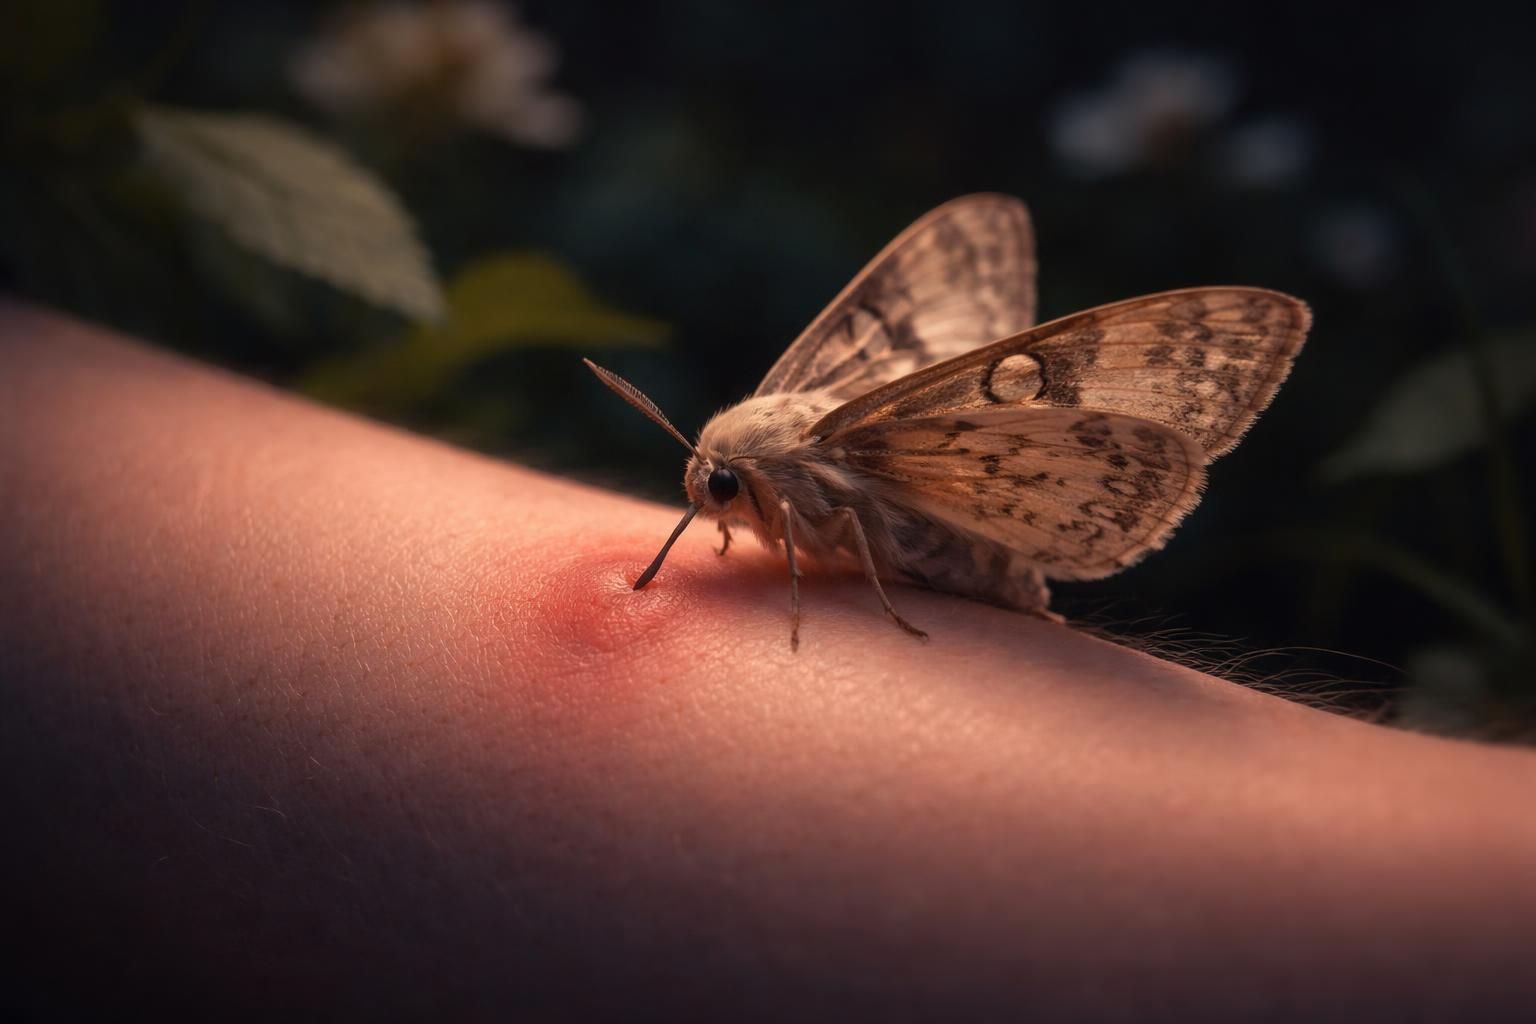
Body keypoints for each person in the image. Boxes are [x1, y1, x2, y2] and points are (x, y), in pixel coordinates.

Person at [4, 300, 1534, 1020]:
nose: (707, 506)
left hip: (968, 521)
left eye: (712, 488)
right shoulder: (753, 462)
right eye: (711, 489)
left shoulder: (809, 457)